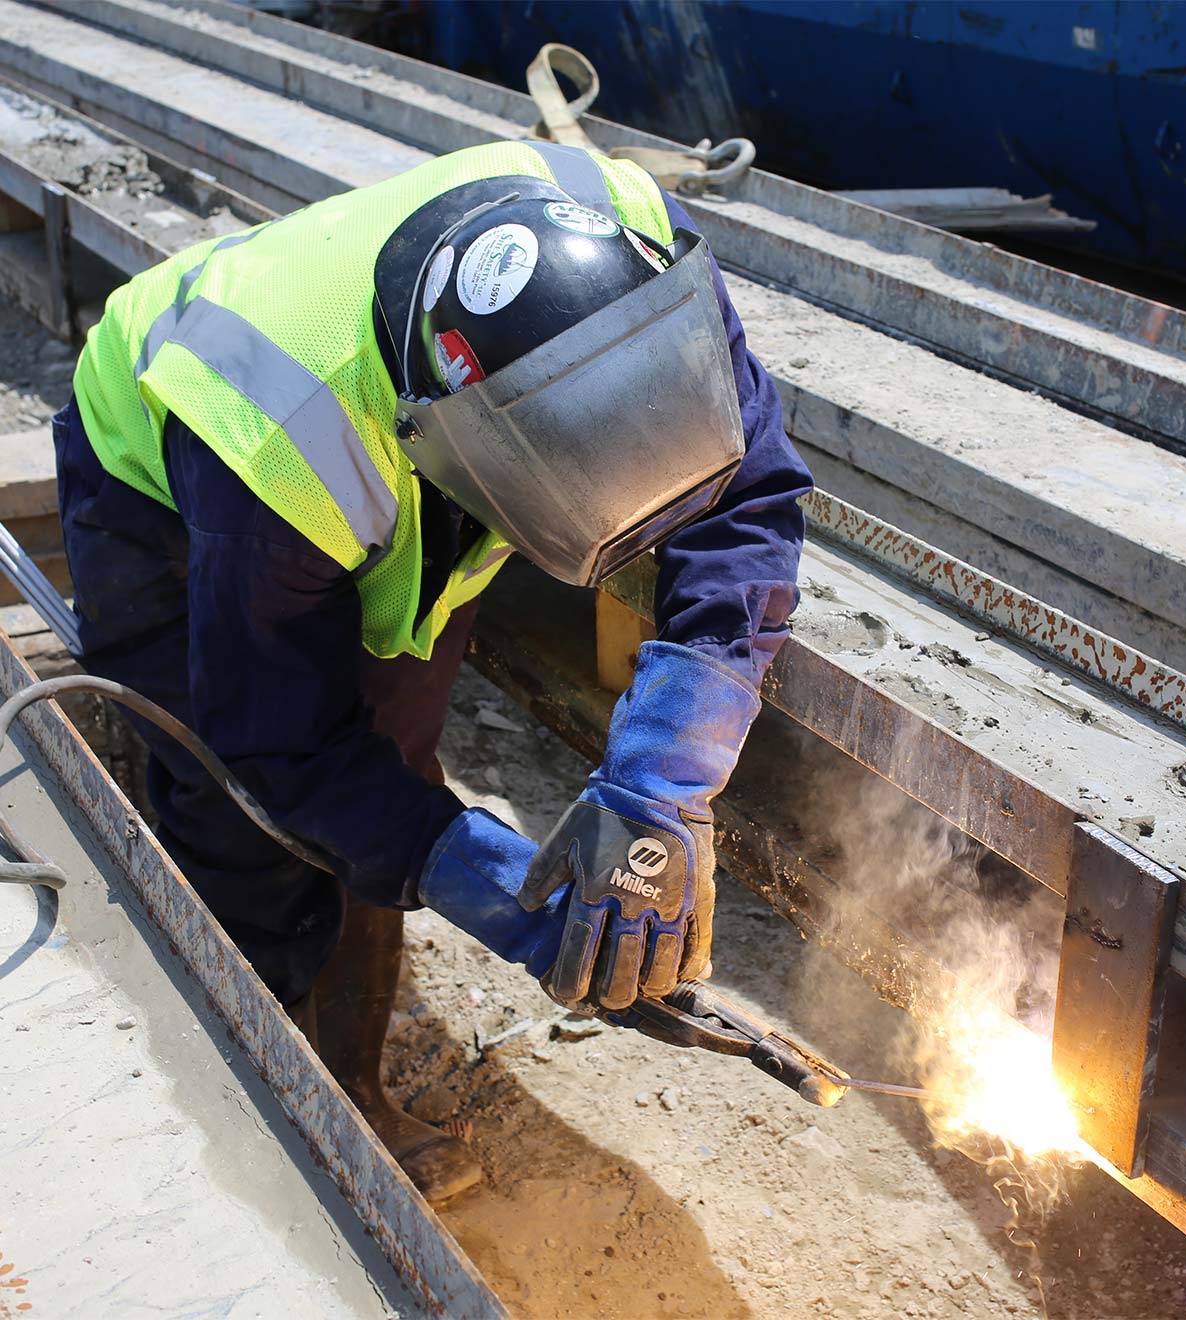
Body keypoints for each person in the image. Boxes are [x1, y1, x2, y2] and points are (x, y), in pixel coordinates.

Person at [55, 139, 810, 1202]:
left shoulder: (636, 257)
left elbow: (744, 498)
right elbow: (279, 747)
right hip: (163, 468)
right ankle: (261, 1112)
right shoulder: (282, 451)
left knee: (393, 769)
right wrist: (496, 888)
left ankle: (352, 1079)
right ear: (459, 461)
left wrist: (665, 773)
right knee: (240, 817)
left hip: (359, 449)